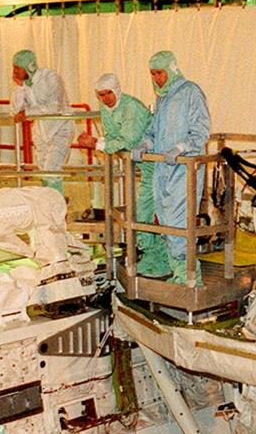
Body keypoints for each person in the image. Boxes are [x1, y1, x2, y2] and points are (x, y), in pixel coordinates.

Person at [76, 73, 168, 278]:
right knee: (145, 209)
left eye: (109, 93)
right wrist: (100, 142)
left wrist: (96, 144)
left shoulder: (132, 108)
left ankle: (160, 259)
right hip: (144, 165)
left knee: (147, 211)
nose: (106, 98)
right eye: (101, 95)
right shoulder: (107, 109)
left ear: (117, 90)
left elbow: (127, 140)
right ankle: (151, 256)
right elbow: (113, 137)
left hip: (156, 164)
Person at [132, 51, 211, 285]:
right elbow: (155, 131)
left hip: (184, 170)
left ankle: (189, 276)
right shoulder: (163, 98)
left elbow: (201, 130)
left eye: (159, 73)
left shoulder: (190, 92)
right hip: (163, 170)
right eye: (152, 74)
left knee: (179, 222)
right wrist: (145, 143)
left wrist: (182, 147)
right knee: (166, 221)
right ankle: (177, 270)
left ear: (171, 70)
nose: (156, 79)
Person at [10, 49, 73, 194]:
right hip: (41, 131)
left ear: (28, 67)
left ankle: (57, 209)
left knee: (51, 170)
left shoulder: (50, 78)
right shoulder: (24, 85)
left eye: (17, 68)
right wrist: (20, 87)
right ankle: (51, 204)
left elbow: (55, 106)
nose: (14, 72)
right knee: (44, 170)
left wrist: (28, 112)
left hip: (60, 129)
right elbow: (15, 110)